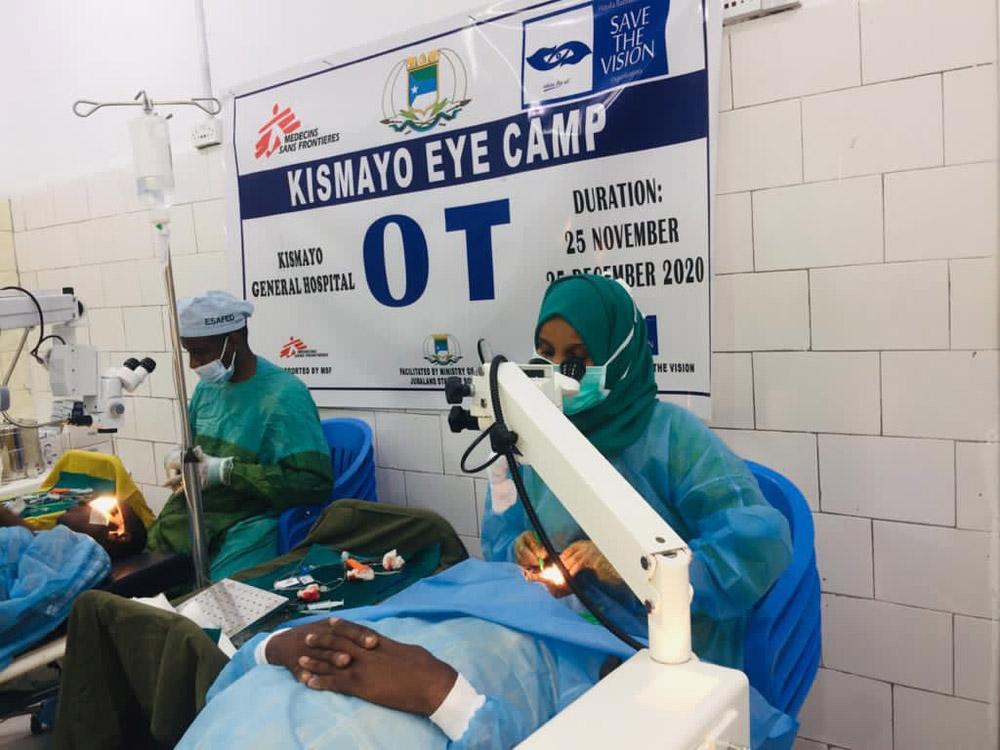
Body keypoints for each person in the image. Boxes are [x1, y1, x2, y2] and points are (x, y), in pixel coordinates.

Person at [51, 278, 796, 749]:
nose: (558, 373)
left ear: (622, 355)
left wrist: (626, 565)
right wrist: (274, 649)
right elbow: (502, 555)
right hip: (505, 608)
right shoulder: (534, 433)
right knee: (337, 657)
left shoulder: (672, 438)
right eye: (543, 352)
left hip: (622, 639)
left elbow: (760, 539)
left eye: (577, 356)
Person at [146, 290, 333, 578]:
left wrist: (227, 472)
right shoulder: (208, 389)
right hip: (196, 515)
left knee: (217, 605)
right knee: (146, 576)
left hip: (248, 520)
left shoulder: (284, 396)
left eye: (201, 352)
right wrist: (184, 463)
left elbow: (313, 484)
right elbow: (198, 452)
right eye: (189, 352)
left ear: (233, 340)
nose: (194, 364)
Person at [0, 500, 146, 669]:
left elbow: (21, 609)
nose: (83, 502)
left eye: (99, 506)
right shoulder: (59, 546)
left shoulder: (86, 555)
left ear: (117, 534)